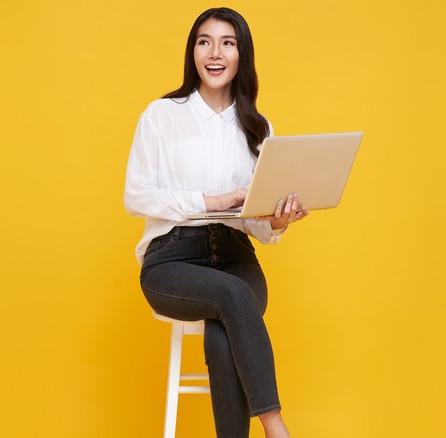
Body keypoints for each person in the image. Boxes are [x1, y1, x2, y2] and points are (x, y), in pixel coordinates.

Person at [123, 7, 308, 438]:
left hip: (236, 254)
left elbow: (256, 224)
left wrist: (279, 222)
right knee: (233, 297)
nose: (215, 52)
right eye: (204, 41)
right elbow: (136, 195)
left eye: (228, 42)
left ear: (242, 54)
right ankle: (275, 425)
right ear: (193, 52)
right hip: (172, 258)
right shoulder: (162, 115)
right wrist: (212, 199)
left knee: (224, 329)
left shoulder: (258, 128)